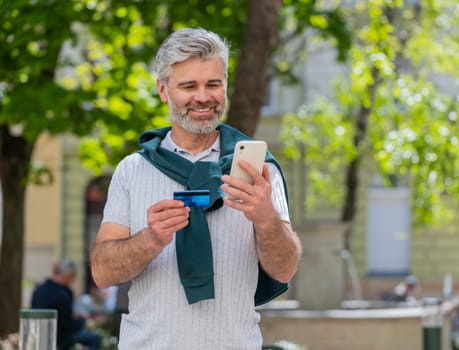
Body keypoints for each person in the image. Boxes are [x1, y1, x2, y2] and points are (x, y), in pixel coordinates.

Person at [90, 27, 302, 349]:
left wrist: (265, 218)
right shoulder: (133, 170)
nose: (203, 97)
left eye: (213, 84)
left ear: (225, 86)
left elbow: (285, 269)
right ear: (163, 90)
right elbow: (102, 272)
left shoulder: (258, 169)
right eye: (189, 85)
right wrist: (151, 238)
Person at [31, 259, 102, 350]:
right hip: (59, 338)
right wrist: (82, 319)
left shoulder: (39, 290)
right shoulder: (63, 294)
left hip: (39, 334)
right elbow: (68, 327)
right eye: (74, 276)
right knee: (95, 338)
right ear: (69, 275)